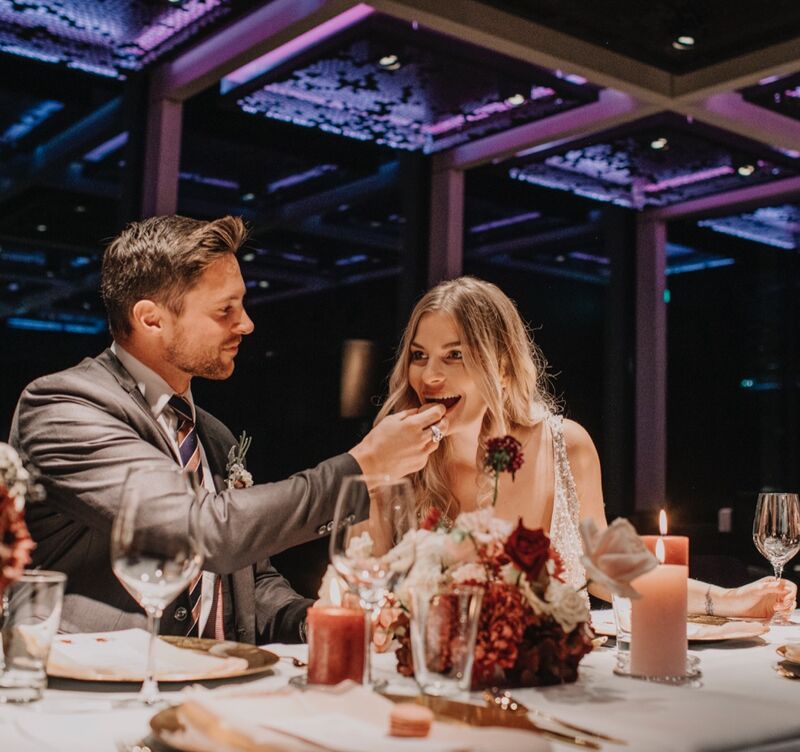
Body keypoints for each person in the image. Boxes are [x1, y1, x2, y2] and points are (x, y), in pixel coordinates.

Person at [10, 214, 447, 642]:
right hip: (88, 691)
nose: (247, 324)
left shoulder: (212, 435)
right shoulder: (65, 407)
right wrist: (362, 466)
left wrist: (313, 619)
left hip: (209, 688)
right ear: (151, 319)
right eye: (225, 310)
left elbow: (248, 586)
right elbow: (201, 531)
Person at [375, 275, 796, 619]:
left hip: (554, 683)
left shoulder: (566, 446)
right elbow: (363, 588)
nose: (429, 376)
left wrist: (723, 601)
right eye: (418, 355)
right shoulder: (390, 457)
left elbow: (608, 571)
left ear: (502, 367)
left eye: (454, 356)